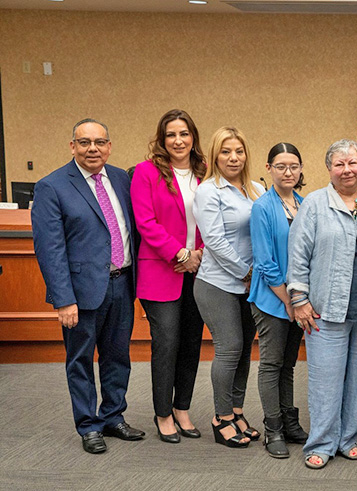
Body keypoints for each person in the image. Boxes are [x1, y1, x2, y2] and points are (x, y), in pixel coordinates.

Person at [32, 118, 145, 454]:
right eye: (84, 142)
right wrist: (63, 300)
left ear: (109, 146)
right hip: (80, 293)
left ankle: (113, 416)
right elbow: (50, 249)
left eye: (99, 142)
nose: (92, 149)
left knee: (117, 356)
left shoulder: (123, 179)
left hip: (122, 284)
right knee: (80, 360)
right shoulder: (51, 186)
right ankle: (88, 425)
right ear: (72, 146)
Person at [288, 139, 357, 469]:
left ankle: (348, 438)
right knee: (325, 381)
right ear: (329, 169)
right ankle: (321, 443)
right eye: (339, 164)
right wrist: (299, 299)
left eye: (352, 163)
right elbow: (298, 254)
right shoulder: (315, 204)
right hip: (325, 309)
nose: (347, 170)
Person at [130, 109, 206, 443]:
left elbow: (213, 219)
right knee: (167, 343)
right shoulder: (146, 173)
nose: (178, 140)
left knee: (191, 342)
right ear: (162, 140)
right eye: (171, 134)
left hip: (200, 271)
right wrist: (180, 254)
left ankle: (182, 408)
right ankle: (163, 413)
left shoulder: (204, 172)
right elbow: (145, 222)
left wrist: (199, 255)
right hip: (162, 269)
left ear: (193, 138)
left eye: (184, 133)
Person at [192, 126, 265, 448]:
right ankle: (220, 417)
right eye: (225, 151)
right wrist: (246, 271)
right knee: (230, 347)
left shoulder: (257, 189)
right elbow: (214, 241)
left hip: (251, 284)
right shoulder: (209, 191)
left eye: (238, 151)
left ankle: (236, 411)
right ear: (215, 156)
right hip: (217, 283)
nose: (233, 158)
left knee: (245, 351)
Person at [248, 142, 309, 458]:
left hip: (298, 298)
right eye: (281, 166)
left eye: (294, 166)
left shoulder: (304, 203)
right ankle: (272, 430)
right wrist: (288, 300)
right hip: (272, 299)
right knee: (271, 364)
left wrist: (300, 299)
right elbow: (264, 261)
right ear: (269, 168)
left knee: (288, 364)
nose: (288, 171)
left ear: (301, 170)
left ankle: (289, 422)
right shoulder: (262, 207)